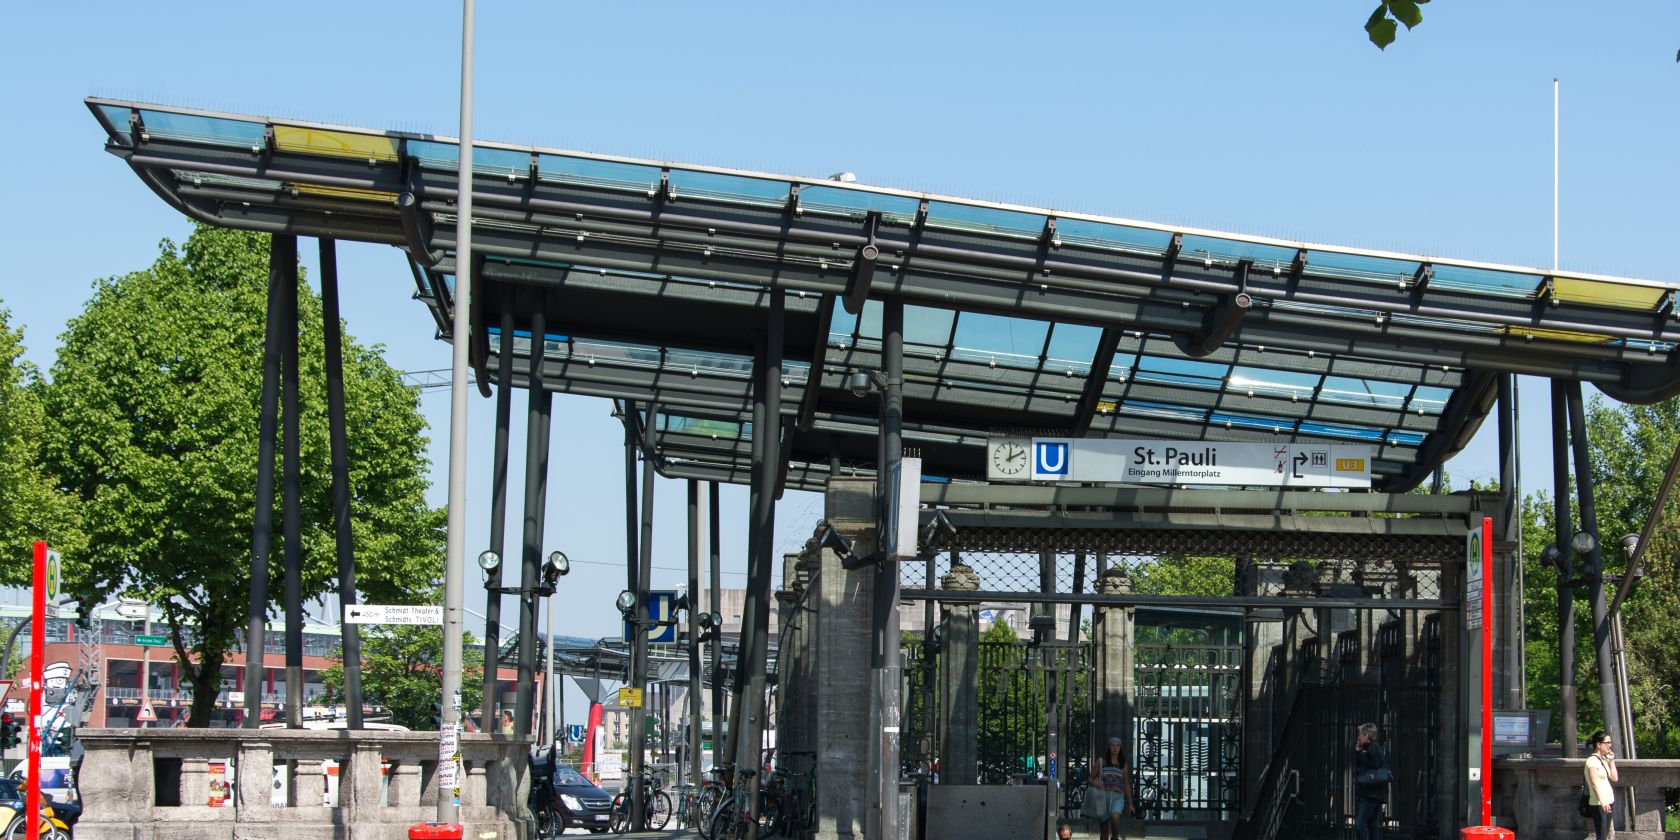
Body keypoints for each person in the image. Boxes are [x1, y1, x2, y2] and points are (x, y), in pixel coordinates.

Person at [1089, 736, 1137, 840]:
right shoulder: (1101, 762)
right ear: (1109, 747)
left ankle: (1115, 837)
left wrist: (1131, 804)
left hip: (1118, 797)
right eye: (1112, 745)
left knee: (1115, 818)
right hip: (1102, 797)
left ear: (1120, 748)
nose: (1115, 748)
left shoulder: (1123, 765)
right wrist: (1096, 784)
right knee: (1104, 830)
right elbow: (1090, 778)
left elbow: (1126, 784)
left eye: (1117, 745)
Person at [1353, 722, 1388, 840]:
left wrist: (1362, 755)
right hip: (1373, 794)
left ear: (1367, 736)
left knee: (1359, 823)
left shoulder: (1373, 748)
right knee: (1372, 826)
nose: (1359, 737)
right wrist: (1359, 752)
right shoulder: (1368, 748)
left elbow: (1375, 764)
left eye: (1361, 735)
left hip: (1372, 794)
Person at [1584, 730, 1619, 840]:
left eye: (1610, 743)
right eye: (1607, 743)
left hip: (1608, 801)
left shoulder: (1603, 760)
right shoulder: (1592, 761)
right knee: (1601, 835)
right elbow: (1595, 783)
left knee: (1605, 834)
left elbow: (1614, 778)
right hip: (1599, 803)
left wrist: (1611, 761)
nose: (1610, 745)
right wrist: (1603, 801)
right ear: (1599, 744)